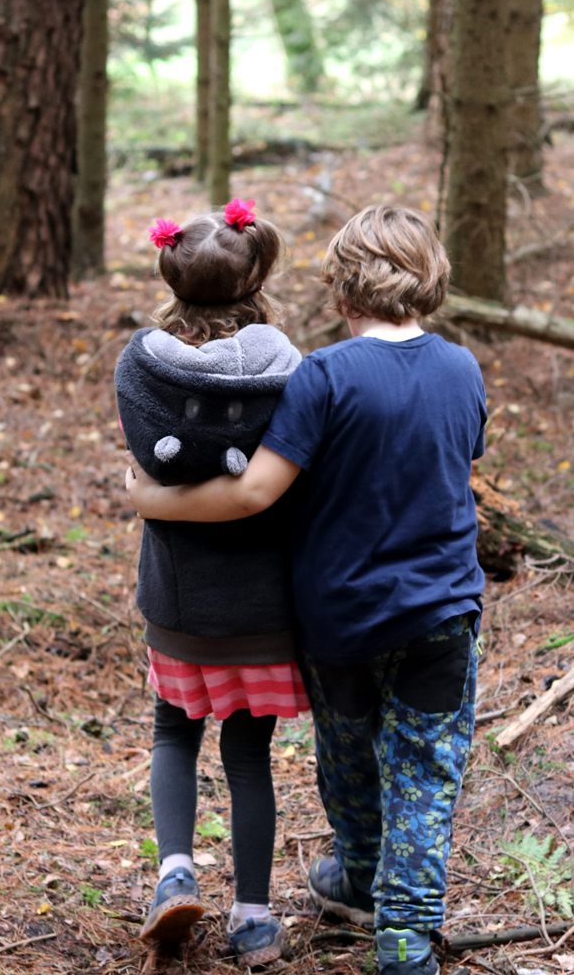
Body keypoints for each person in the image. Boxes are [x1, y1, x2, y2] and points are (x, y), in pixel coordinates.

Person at [126, 205, 487, 975]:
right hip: (441, 612)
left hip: (341, 616)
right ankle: (404, 936)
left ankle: (357, 873)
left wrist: (151, 498)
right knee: (425, 773)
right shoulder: (462, 369)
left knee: (349, 757)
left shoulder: (323, 375)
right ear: (430, 281)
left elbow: (255, 491)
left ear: (341, 290)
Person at [115, 199, 310, 967]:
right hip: (265, 603)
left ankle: (173, 875)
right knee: (249, 755)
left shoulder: (142, 363)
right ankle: (255, 918)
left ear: (170, 274)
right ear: (256, 275)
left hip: (177, 597)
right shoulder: (293, 369)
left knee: (173, 730)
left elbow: (144, 462)